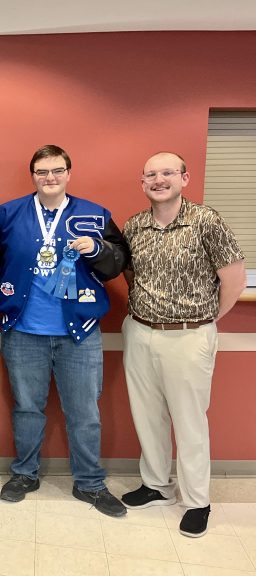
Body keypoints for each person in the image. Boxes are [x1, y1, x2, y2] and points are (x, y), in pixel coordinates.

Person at [0, 144, 130, 517]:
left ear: (69, 173)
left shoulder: (95, 214)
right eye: (42, 172)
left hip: (80, 331)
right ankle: (25, 474)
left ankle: (90, 483)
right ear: (33, 176)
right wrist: (5, 299)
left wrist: (96, 248)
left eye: (57, 170)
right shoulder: (7, 214)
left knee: (84, 412)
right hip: (24, 331)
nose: (50, 178)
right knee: (27, 408)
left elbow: (118, 263)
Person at [121, 152, 245, 537]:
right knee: (147, 414)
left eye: (168, 173)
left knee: (190, 422)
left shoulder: (206, 221)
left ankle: (196, 501)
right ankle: (157, 485)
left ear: (184, 179)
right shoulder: (134, 225)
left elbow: (234, 281)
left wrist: (203, 322)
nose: (159, 180)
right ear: (143, 183)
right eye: (151, 175)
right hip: (140, 331)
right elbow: (130, 275)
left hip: (190, 335)